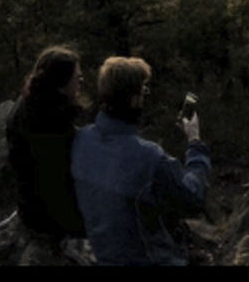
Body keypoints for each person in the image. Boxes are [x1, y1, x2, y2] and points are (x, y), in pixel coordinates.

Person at [70, 56, 210, 266]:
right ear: (134, 99)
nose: (145, 97)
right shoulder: (150, 157)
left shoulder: (82, 140)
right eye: (143, 91)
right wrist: (195, 142)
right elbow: (193, 198)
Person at [6, 46, 88, 248]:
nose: (81, 81)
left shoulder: (28, 105)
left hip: (29, 207)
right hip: (50, 219)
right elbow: (57, 183)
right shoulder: (52, 121)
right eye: (76, 77)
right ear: (61, 82)